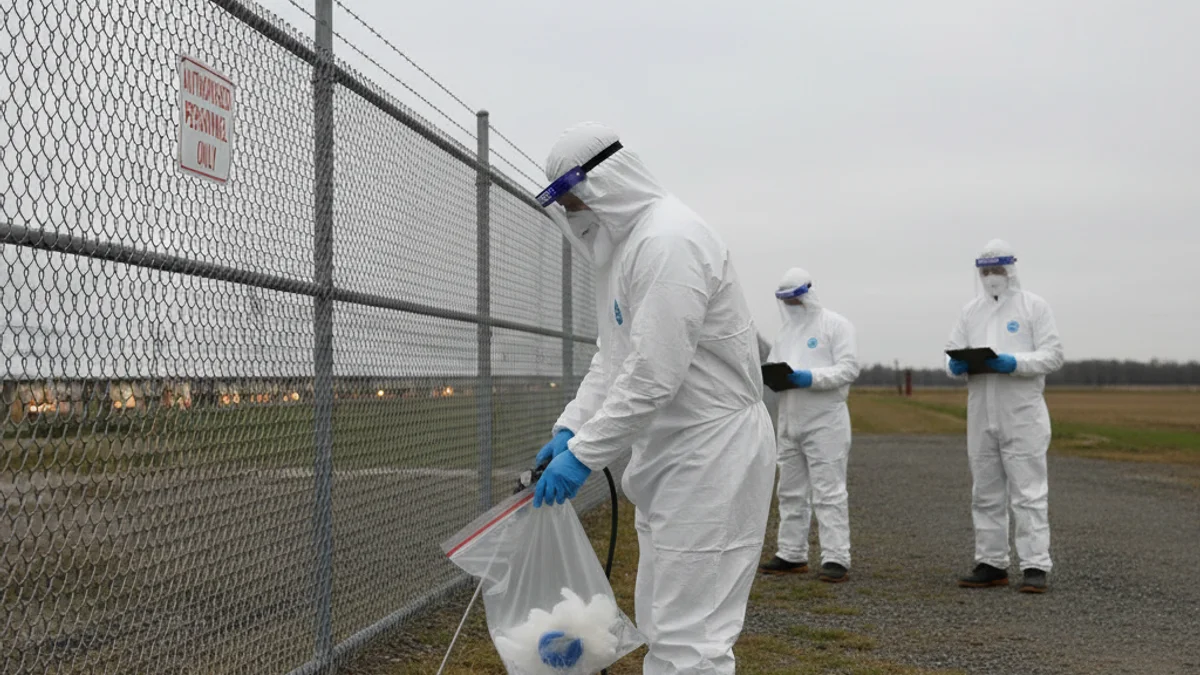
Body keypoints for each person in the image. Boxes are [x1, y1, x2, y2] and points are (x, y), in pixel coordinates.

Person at [530, 122, 776, 674]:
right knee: (665, 620)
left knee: (693, 635)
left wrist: (586, 454)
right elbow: (613, 358)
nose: (573, 214)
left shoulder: (670, 242)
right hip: (673, 454)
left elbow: (652, 374)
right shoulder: (627, 250)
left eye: (574, 200)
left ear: (604, 184)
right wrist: (570, 429)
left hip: (713, 453)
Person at [946, 239, 1063, 594]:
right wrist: (956, 365)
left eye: (997, 269)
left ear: (1011, 269)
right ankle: (991, 562)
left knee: (1028, 492)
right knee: (985, 491)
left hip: (1022, 414)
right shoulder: (971, 311)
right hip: (981, 413)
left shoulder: (1033, 307)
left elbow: (1053, 355)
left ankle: (1034, 564)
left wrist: (1015, 363)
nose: (991, 276)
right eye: (985, 270)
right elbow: (951, 356)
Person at [757, 268, 860, 583]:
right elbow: (775, 365)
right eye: (785, 300)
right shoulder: (786, 333)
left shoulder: (835, 325)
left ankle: (836, 557)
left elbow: (849, 368)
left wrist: (809, 378)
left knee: (828, 492)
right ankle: (791, 553)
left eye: (795, 298)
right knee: (789, 491)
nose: (791, 305)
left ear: (808, 293)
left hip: (825, 422)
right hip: (790, 422)